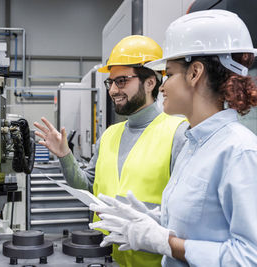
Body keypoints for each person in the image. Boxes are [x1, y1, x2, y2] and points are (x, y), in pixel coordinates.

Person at [89, 9, 257, 267]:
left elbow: (249, 258)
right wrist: (152, 222)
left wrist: (166, 243)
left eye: (168, 73)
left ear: (195, 73)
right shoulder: (195, 145)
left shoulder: (239, 151)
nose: (162, 86)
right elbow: (200, 227)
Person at [34, 35, 188, 266]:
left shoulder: (178, 133)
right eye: (111, 82)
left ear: (150, 83)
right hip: (107, 258)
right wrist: (65, 156)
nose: (113, 90)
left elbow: (188, 216)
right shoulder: (109, 135)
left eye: (122, 81)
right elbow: (88, 186)